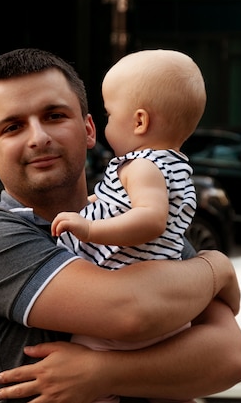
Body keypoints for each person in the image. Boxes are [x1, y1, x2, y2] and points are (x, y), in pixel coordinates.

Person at [0, 48, 241, 403]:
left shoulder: (138, 221)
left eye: (54, 115)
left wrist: (101, 373)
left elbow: (229, 357)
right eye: (13, 127)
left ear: (89, 129)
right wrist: (216, 268)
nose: (38, 137)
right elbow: (131, 311)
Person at [51, 49, 204, 403]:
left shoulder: (140, 165)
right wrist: (99, 207)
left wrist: (89, 230)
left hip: (127, 300)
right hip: (165, 308)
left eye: (108, 114)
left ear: (139, 122)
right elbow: (130, 208)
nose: (105, 124)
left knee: (86, 370)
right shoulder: (177, 166)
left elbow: (150, 219)